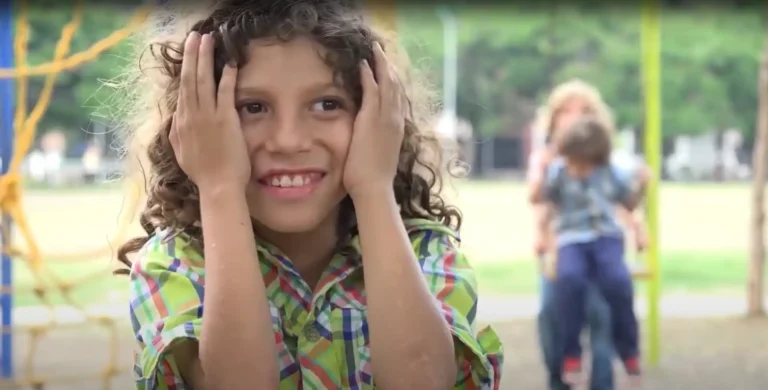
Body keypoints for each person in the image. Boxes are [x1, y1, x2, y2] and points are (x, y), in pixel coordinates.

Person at [114, 2, 503, 389]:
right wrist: (219, 187)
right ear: (193, 127)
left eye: (326, 104)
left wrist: (373, 188)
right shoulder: (174, 263)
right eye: (252, 107)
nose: (289, 140)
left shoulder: (427, 253)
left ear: (377, 117)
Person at [527, 79, 647, 390]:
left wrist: (638, 227)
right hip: (564, 248)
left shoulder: (608, 161)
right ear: (554, 120)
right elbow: (541, 202)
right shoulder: (551, 162)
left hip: (603, 243)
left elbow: (625, 202)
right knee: (555, 314)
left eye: (583, 111)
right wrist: (542, 234)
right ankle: (566, 367)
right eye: (566, 111)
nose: (575, 117)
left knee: (604, 315)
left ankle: (618, 366)